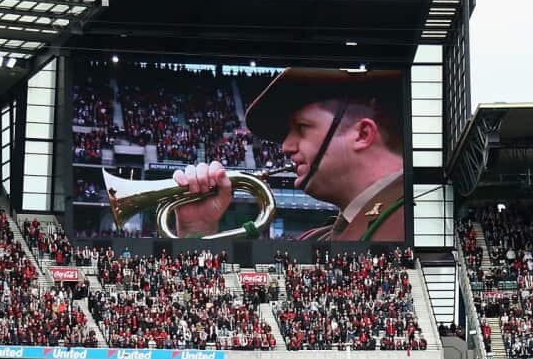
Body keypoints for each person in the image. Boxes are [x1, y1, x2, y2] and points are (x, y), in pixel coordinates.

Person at [171, 68, 407, 242]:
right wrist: (197, 229)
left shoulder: (412, 218)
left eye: (302, 128)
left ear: (363, 134)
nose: (285, 146)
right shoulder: (315, 240)